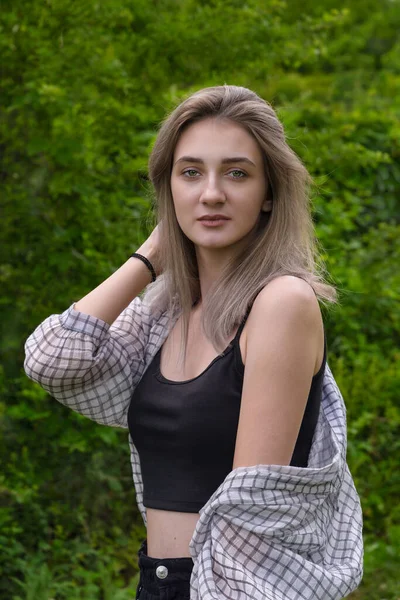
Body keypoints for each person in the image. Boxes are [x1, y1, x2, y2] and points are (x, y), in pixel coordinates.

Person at [24, 85, 363, 600]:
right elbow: (52, 361)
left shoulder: (281, 304)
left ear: (269, 191)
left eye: (237, 173)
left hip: (226, 586)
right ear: (168, 189)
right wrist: (150, 257)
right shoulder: (167, 312)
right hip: (155, 581)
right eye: (190, 173)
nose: (211, 194)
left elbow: (248, 517)